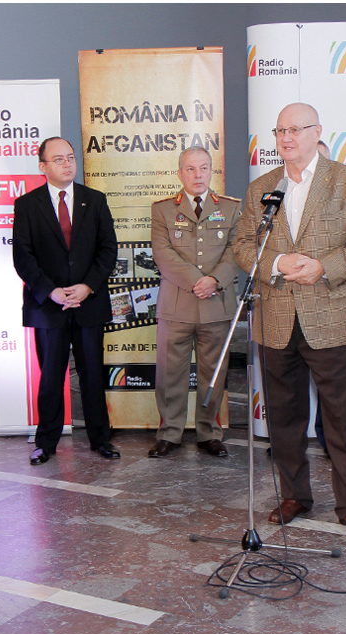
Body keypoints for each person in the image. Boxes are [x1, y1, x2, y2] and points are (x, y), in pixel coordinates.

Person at [232, 103, 346, 539]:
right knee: (284, 416)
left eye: (296, 129)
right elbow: (242, 245)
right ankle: (295, 495)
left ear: (317, 132)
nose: (286, 137)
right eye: (280, 130)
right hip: (276, 316)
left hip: (331, 314)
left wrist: (324, 266)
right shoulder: (263, 187)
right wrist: (277, 262)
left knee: (341, 417)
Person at [12, 137, 120, 465]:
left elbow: (108, 250)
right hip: (49, 307)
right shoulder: (27, 205)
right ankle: (46, 442)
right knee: (50, 377)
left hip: (88, 303)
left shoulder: (94, 200)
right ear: (42, 166)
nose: (67, 164)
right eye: (58, 159)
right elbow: (23, 257)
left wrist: (87, 286)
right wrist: (51, 291)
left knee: (92, 375)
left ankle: (100, 439)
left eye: (70, 158)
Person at [148, 146, 241, 458]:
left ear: (211, 171)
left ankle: (209, 432)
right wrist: (197, 281)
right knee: (170, 373)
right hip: (176, 305)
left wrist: (214, 280)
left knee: (213, 372)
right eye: (190, 169)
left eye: (203, 168)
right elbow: (163, 254)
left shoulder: (230, 208)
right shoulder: (162, 210)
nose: (198, 174)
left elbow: (236, 250)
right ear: (180, 173)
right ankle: (169, 433)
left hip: (217, 303)